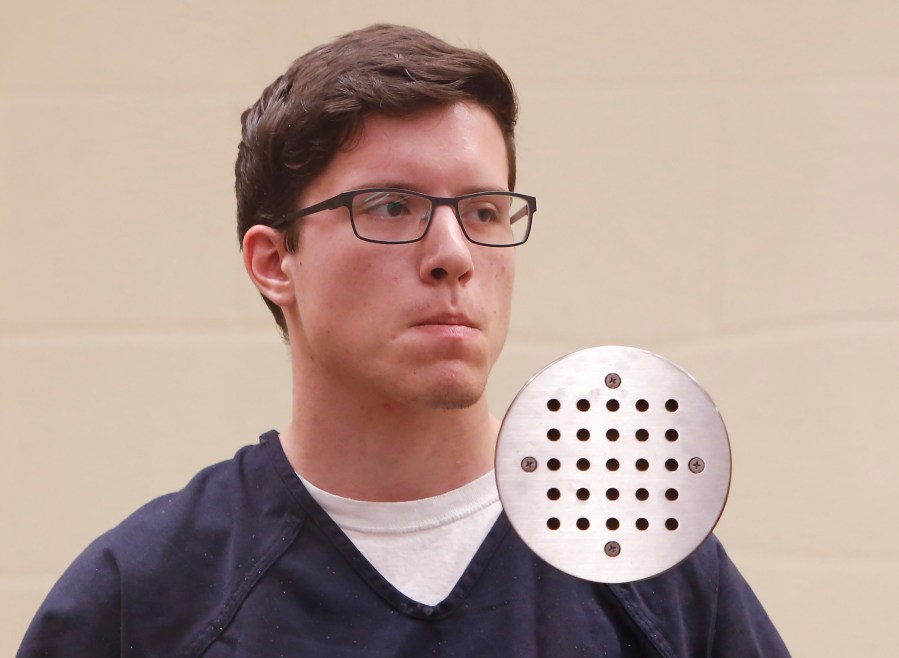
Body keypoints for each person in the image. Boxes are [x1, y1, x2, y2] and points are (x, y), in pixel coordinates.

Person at [18, 24, 790, 657]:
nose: (453, 252)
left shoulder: (643, 566)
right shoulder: (144, 596)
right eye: (390, 207)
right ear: (272, 261)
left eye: (484, 211)